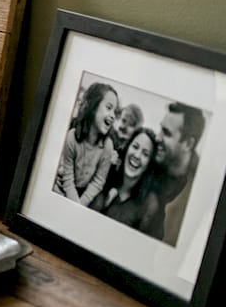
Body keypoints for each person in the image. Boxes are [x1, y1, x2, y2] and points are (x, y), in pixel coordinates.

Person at [88, 127, 164, 238]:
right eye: (135, 147)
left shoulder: (149, 204)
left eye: (145, 154)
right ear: (127, 148)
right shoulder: (105, 178)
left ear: (149, 164)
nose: (137, 156)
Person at [150, 102, 206, 244]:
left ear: (188, 144)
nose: (158, 137)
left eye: (166, 133)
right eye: (160, 129)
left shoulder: (199, 193)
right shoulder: (149, 158)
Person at [53, 81, 117, 205]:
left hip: (86, 195)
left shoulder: (108, 146)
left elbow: (98, 181)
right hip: (66, 187)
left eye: (115, 110)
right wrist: (72, 202)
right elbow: (67, 179)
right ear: (92, 107)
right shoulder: (71, 137)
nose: (113, 115)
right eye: (109, 108)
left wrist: (79, 206)